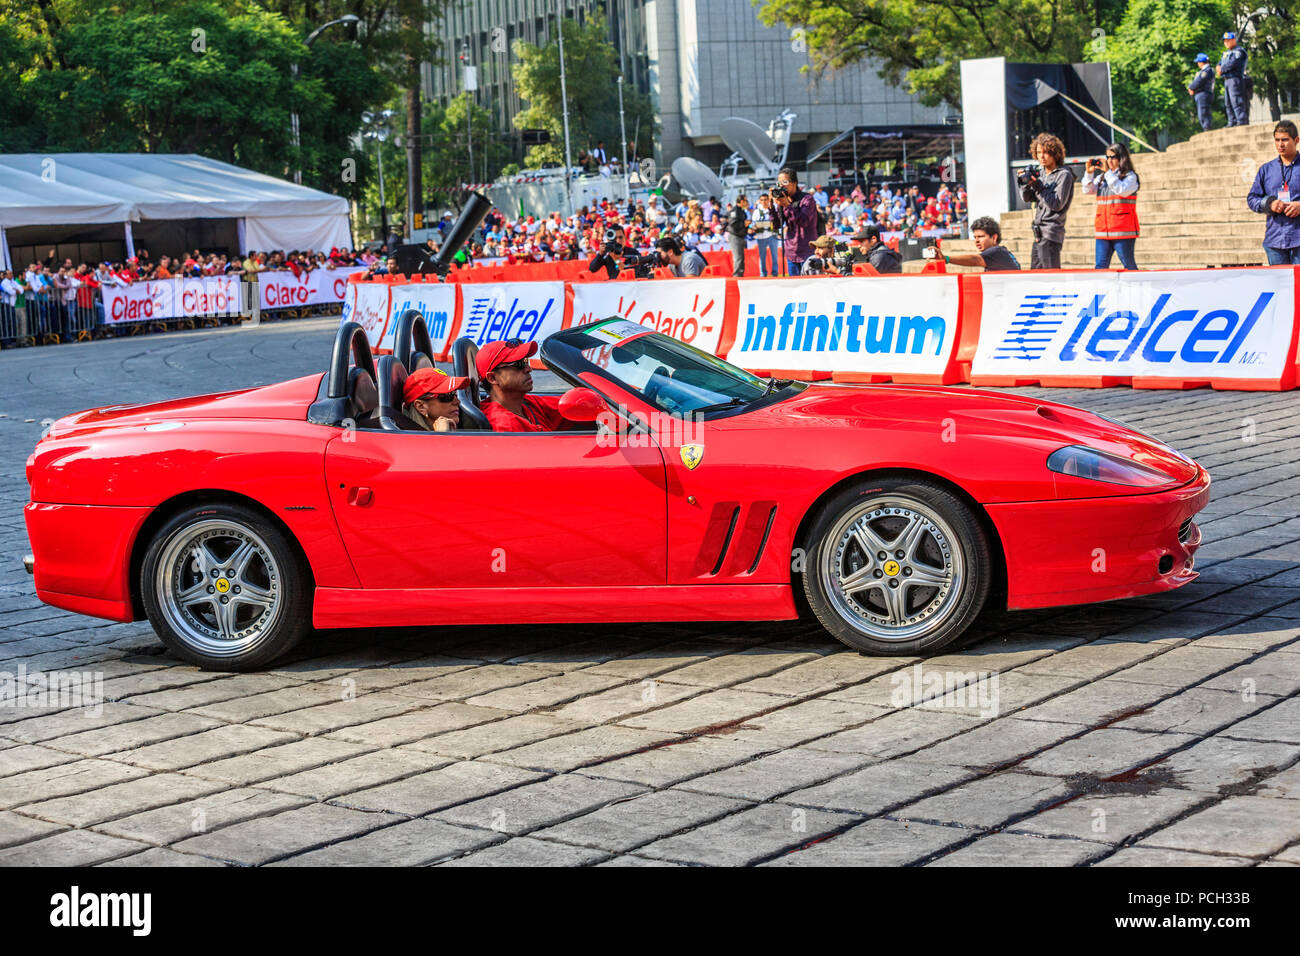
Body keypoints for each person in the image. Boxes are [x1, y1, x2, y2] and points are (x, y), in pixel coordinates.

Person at [477, 339, 580, 432]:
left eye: (526, 361)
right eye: (518, 364)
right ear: (492, 378)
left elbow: (572, 404)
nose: (528, 369)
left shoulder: (526, 403)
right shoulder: (505, 425)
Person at [1246, 120, 1300, 264]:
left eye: (1285, 140)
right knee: (1280, 286)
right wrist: (1269, 204)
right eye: (1277, 140)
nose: (1280, 144)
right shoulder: (1266, 169)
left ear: (1296, 140)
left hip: (1299, 239)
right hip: (1275, 240)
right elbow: (1252, 198)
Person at [1020, 133, 1074, 270]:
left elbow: (1056, 204)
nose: (1041, 157)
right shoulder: (1041, 173)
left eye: (1046, 152)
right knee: (1036, 277)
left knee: (1052, 278)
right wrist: (1024, 183)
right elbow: (1028, 198)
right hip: (1038, 233)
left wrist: (1037, 184)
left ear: (1054, 154)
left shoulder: (1064, 175)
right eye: (1038, 152)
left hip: (1051, 233)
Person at [1083, 143, 1140, 270]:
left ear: (1121, 157)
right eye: (1107, 157)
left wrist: (1108, 172)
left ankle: (1135, 289)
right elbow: (1087, 190)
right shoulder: (1103, 177)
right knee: (1100, 267)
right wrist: (1089, 173)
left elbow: (1121, 190)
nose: (1109, 160)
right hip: (1103, 231)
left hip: (1123, 231)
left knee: (1129, 266)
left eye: (1112, 157)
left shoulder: (1130, 176)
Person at [770, 167, 819, 275]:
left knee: (811, 286)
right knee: (795, 288)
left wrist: (787, 204)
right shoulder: (783, 200)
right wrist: (772, 206)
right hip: (791, 252)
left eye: (785, 182)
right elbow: (776, 225)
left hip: (808, 251)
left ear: (794, 183)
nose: (781, 185)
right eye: (779, 183)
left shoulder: (807, 199)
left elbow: (804, 222)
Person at [939, 216, 1021, 271]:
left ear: (994, 238)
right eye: (975, 237)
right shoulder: (1003, 252)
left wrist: (946, 259)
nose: (976, 241)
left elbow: (975, 260)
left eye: (981, 236)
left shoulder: (996, 251)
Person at [402, 367, 469, 432]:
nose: (457, 402)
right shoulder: (412, 442)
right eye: (447, 396)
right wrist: (442, 435)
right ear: (421, 407)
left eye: (455, 393)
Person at [1218, 32, 1248, 128]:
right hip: (1227, 80)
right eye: (1225, 41)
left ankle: (1241, 120)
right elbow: (1219, 63)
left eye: (1228, 40)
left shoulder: (1239, 51)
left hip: (1235, 79)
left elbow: (1233, 63)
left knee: (1236, 100)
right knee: (1228, 102)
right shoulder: (1226, 53)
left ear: (1234, 40)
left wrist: (1221, 69)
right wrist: (1219, 67)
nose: (1226, 43)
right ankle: (1232, 121)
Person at [1188, 53, 1214, 131]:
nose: (1198, 64)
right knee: (1201, 112)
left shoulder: (1207, 70)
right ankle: (1205, 127)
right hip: (1201, 94)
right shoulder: (1203, 71)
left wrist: (1191, 87)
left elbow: (1199, 81)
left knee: (1203, 112)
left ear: (1202, 62)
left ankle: (1207, 127)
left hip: (1204, 93)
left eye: (1198, 62)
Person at [726, 193, 749, 276]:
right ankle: (736, 276)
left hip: (740, 236)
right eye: (746, 200)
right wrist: (744, 224)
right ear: (742, 201)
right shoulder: (734, 210)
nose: (747, 202)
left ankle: (740, 275)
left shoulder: (741, 210)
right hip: (735, 236)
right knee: (738, 258)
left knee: (741, 258)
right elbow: (733, 223)